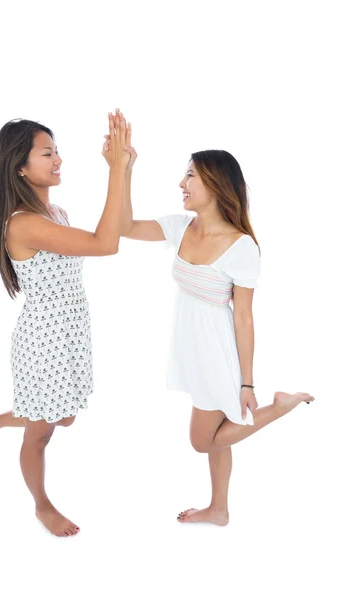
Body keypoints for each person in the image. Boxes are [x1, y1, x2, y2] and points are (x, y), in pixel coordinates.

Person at [103, 113, 314, 526]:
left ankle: (278, 409)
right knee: (216, 441)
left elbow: (244, 319)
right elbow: (123, 226)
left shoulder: (241, 247)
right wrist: (124, 170)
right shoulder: (180, 227)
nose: (181, 184)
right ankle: (219, 508)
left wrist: (247, 382)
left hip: (218, 354)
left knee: (202, 442)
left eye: (190, 176)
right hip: (191, 347)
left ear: (216, 184)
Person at [0, 110, 131, 537]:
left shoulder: (55, 212)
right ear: (20, 167)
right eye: (47, 153)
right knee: (40, 435)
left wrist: (124, 168)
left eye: (56, 151)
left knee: (64, 418)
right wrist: (115, 169)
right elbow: (105, 244)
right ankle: (42, 506)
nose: (58, 159)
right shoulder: (24, 225)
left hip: (69, 335)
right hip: (44, 344)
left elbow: (108, 233)